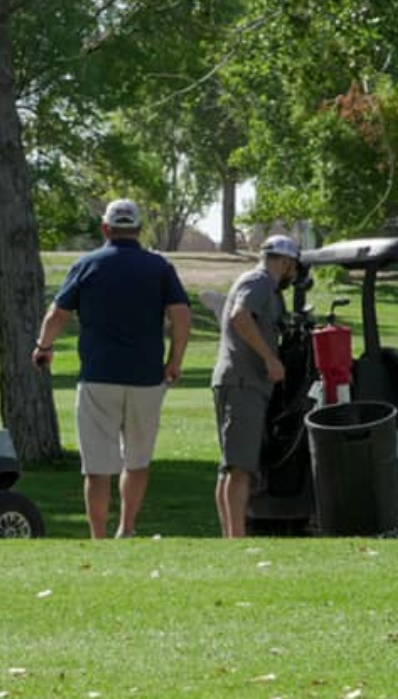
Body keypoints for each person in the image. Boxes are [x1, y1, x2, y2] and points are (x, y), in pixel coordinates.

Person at [32, 199, 191, 538]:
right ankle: (127, 528)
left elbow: (57, 315)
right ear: (139, 229)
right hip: (147, 377)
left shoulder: (87, 264)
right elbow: (181, 315)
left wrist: (43, 347)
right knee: (138, 460)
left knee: (97, 466)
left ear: (105, 228)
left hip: (98, 377)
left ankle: (99, 537)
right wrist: (175, 361)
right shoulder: (159, 267)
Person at [211, 234, 300, 538]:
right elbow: (241, 316)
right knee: (240, 467)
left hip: (242, 382)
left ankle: (230, 537)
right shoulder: (259, 281)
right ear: (286, 262)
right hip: (243, 382)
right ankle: (236, 538)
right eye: (293, 266)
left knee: (232, 465)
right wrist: (270, 359)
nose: (293, 274)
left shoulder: (266, 288)